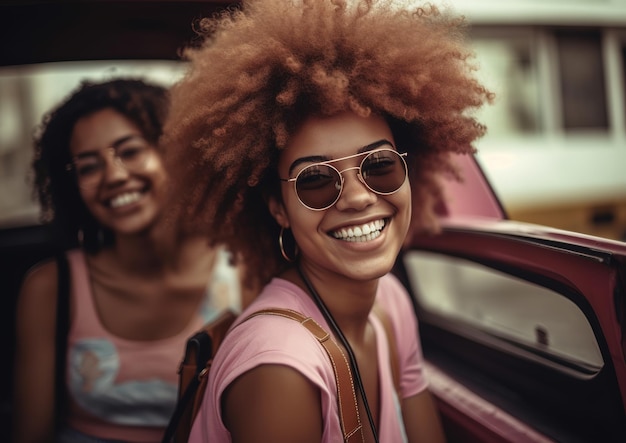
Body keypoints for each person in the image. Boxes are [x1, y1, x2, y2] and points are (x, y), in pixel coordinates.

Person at [163, 0, 493, 441]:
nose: (358, 197)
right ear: (278, 206)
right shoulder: (279, 368)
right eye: (316, 180)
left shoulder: (389, 303)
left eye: (379, 165)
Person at [13, 78, 244, 443]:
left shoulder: (243, 267)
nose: (114, 175)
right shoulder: (50, 287)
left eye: (131, 151)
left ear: (176, 152)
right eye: (88, 167)